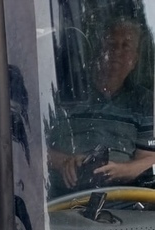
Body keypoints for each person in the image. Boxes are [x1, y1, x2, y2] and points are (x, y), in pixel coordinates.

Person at [47, 16, 155, 195]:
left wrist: (122, 170)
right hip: (59, 211)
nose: (117, 52)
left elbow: (149, 158)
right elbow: (35, 148)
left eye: (125, 46)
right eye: (112, 43)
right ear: (99, 50)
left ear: (135, 60)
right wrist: (64, 162)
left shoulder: (144, 102)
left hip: (122, 209)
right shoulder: (66, 93)